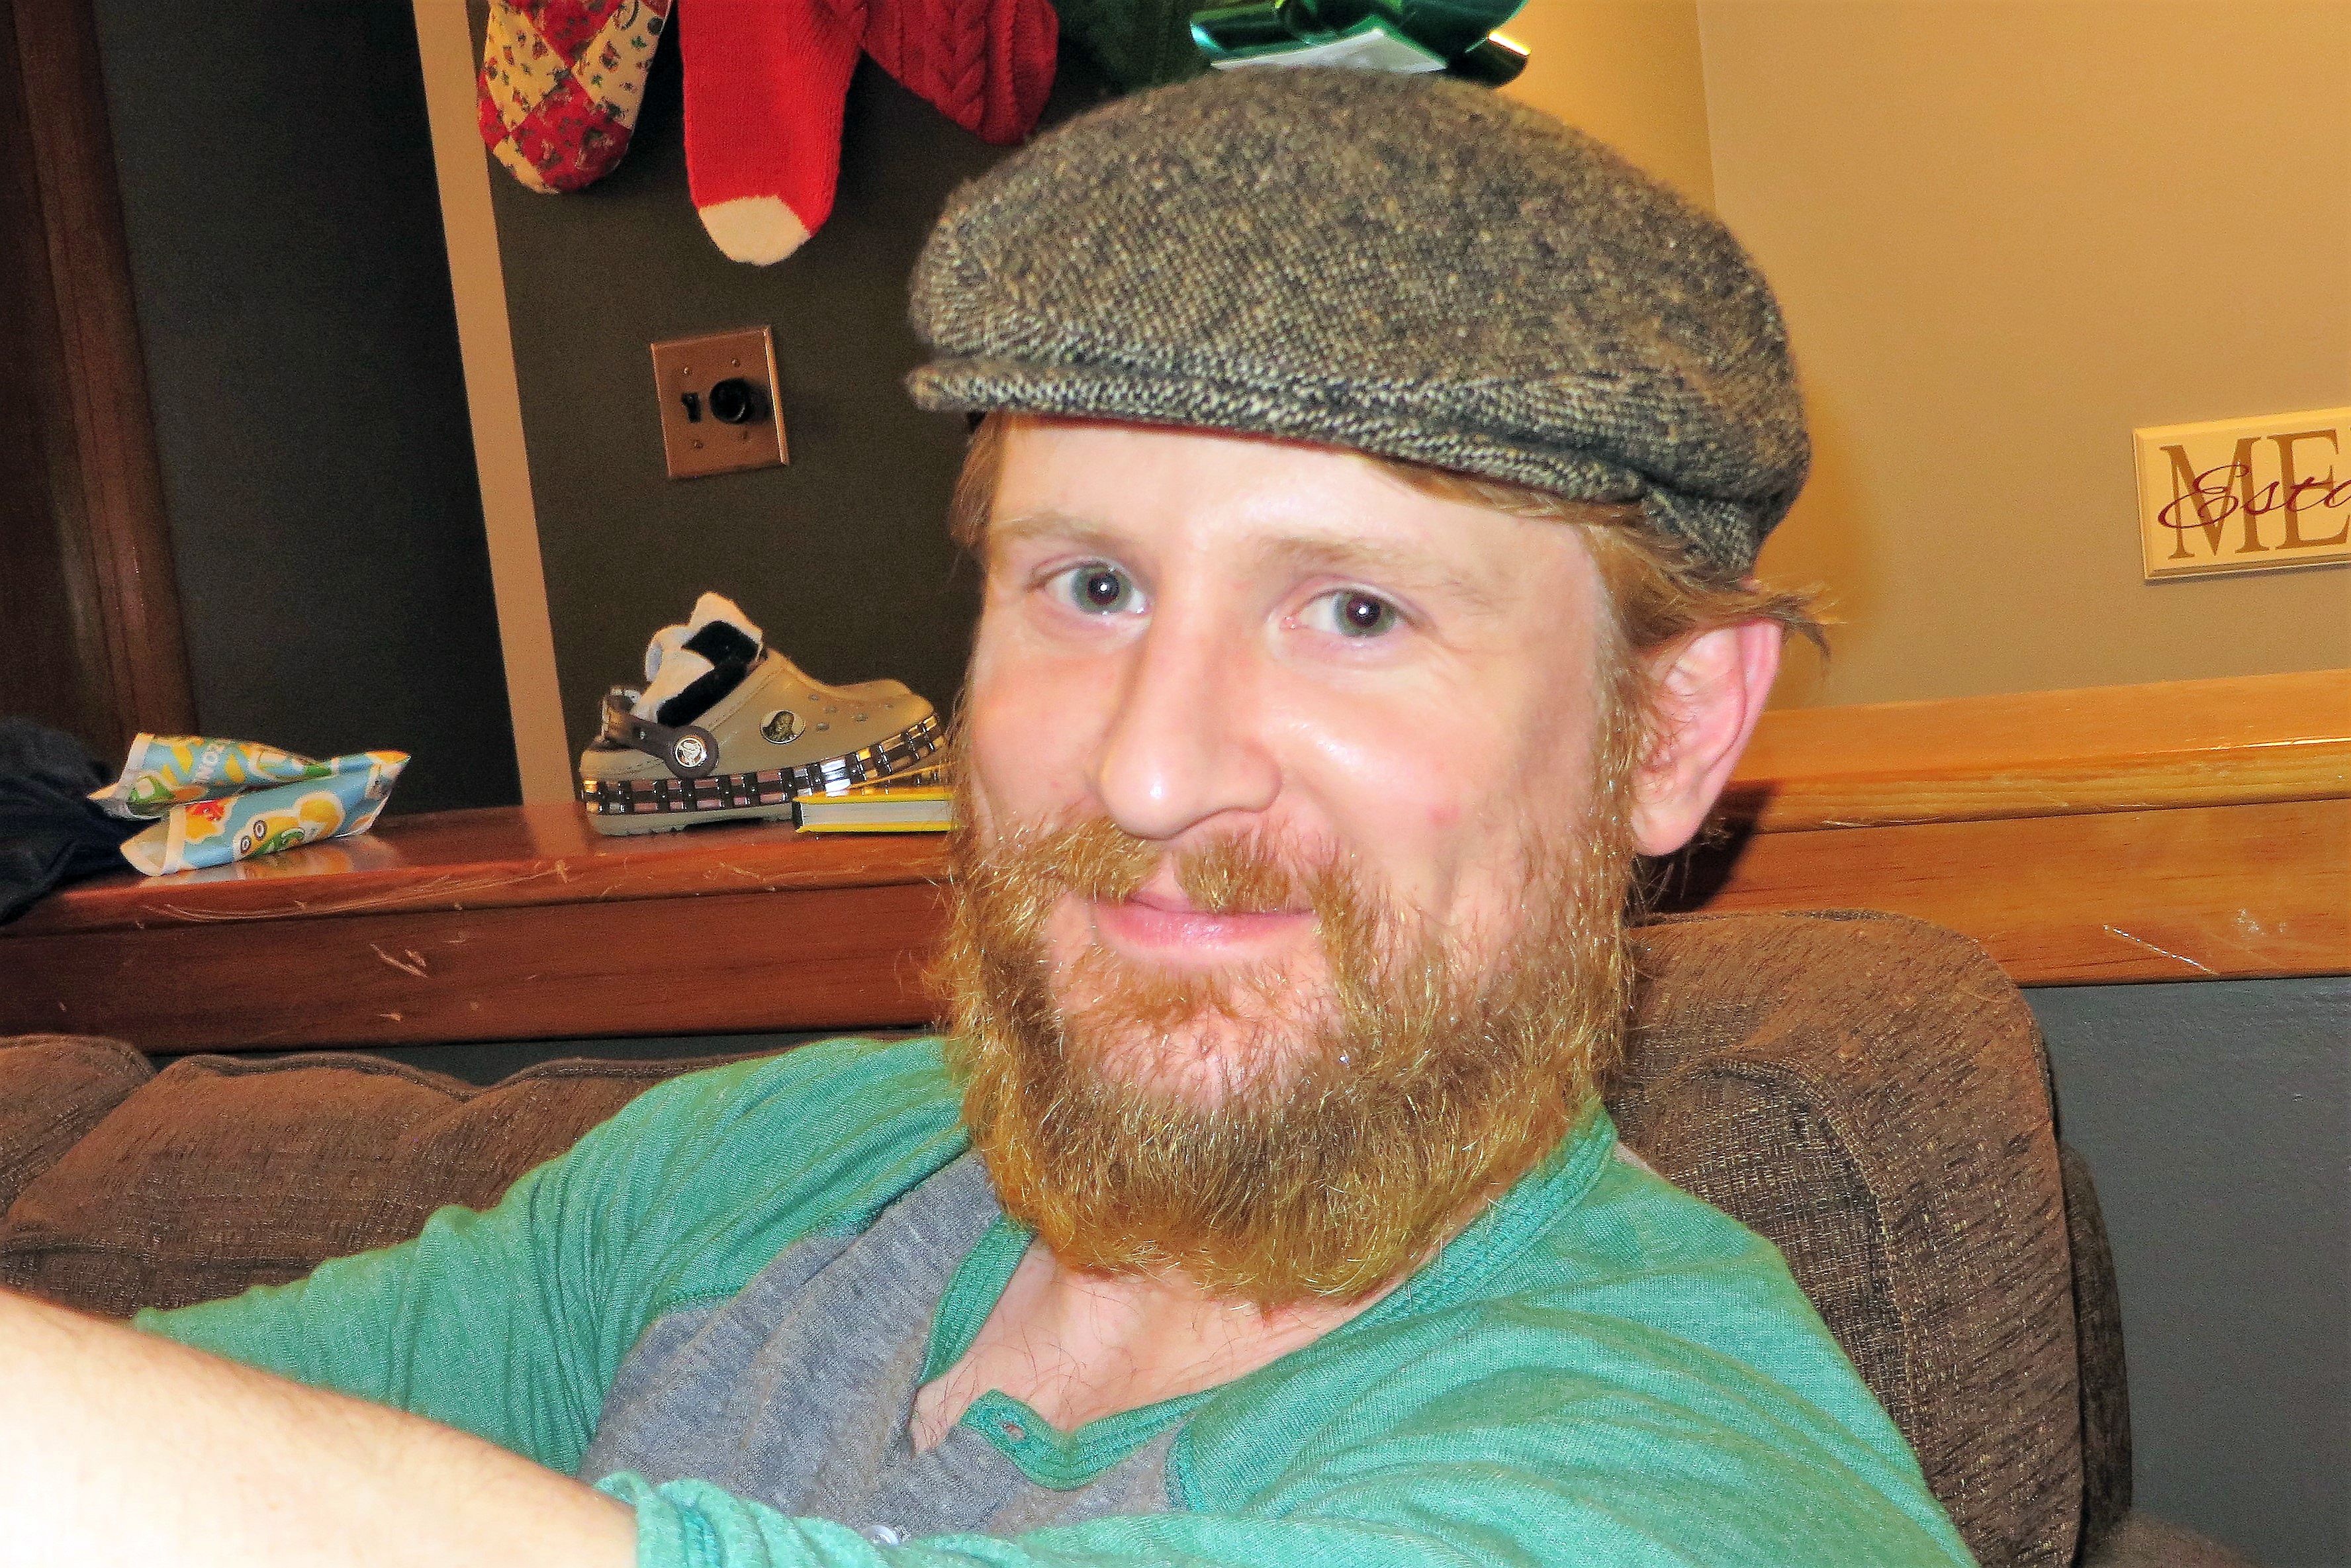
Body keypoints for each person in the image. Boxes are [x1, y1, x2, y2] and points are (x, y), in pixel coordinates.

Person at [0, 68, 1977, 1567]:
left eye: (1357, 612)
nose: (1148, 770)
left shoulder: (1687, 1480)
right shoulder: (761, 1179)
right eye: (1089, 586)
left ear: (1668, 731)